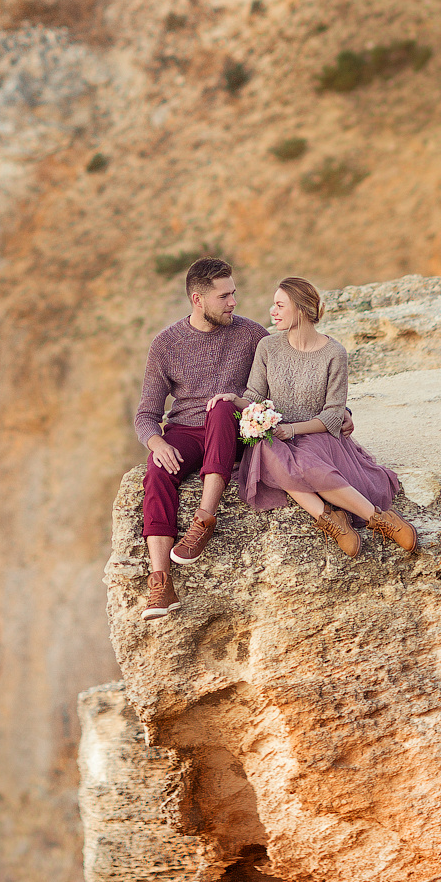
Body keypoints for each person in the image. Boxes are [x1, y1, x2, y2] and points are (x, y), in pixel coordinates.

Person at [235, 276, 418, 557]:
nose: (273, 311)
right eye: (274, 304)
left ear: (302, 309)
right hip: (277, 434)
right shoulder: (268, 347)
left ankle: (380, 520)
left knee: (305, 462)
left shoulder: (334, 353)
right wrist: (234, 402)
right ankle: (331, 519)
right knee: (269, 451)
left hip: (317, 434)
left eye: (280, 305)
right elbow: (255, 394)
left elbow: (334, 414)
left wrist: (293, 430)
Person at [135, 256, 265, 619]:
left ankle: (204, 520)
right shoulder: (166, 344)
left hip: (232, 426)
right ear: (198, 299)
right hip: (185, 432)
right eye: (224, 296)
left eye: (233, 293)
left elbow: (283, 382)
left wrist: (338, 413)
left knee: (222, 407)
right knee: (157, 470)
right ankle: (161, 583)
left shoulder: (252, 335)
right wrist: (157, 443)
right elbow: (146, 415)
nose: (233, 302)